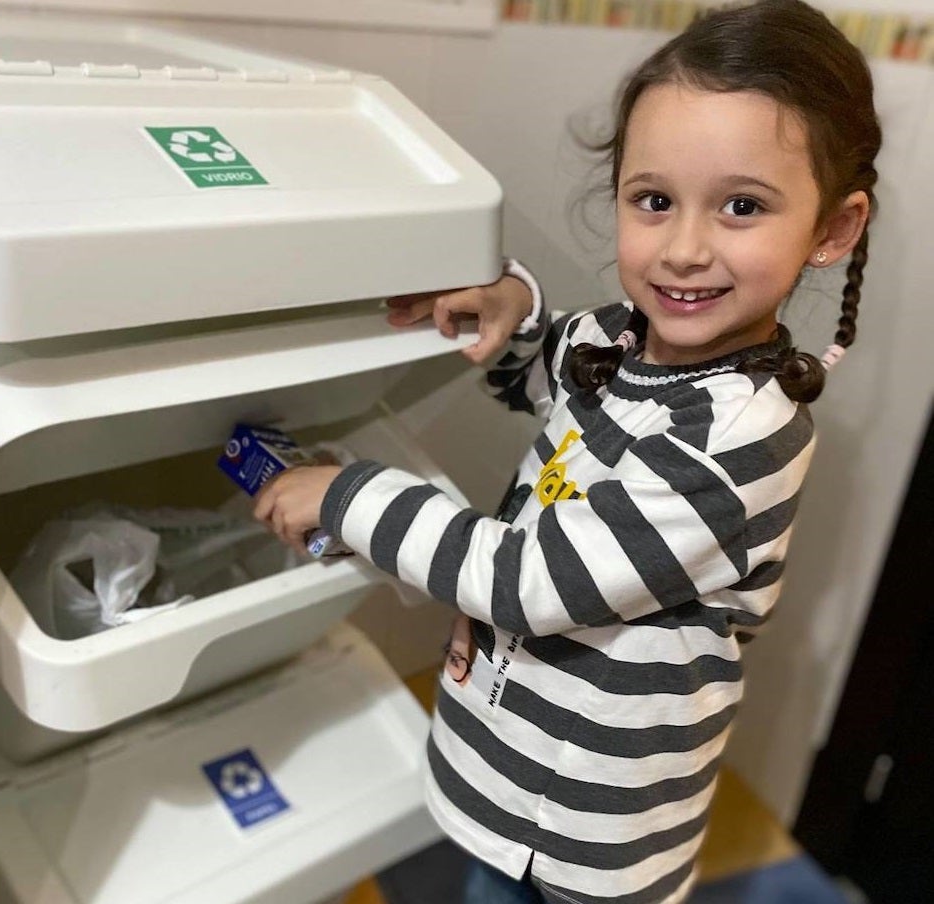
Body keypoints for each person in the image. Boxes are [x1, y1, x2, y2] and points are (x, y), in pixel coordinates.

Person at [254, 1, 881, 901]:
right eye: (654, 201)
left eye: (742, 206)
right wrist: (513, 309)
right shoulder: (616, 338)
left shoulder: (739, 438)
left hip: (593, 827)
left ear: (832, 230)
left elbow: (531, 582)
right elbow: (550, 378)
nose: (684, 249)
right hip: (509, 760)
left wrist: (346, 496)